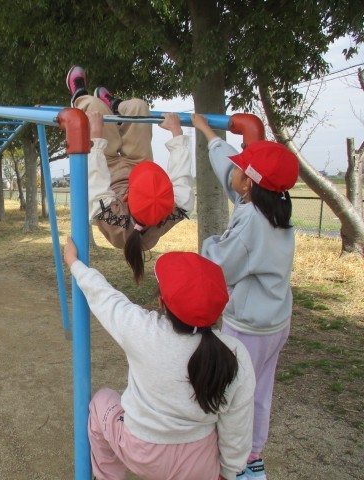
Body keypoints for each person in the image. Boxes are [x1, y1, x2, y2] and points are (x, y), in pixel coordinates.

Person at [63, 237, 255, 480]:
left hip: (140, 452)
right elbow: (237, 427)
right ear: (219, 311)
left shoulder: (142, 330)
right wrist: (228, 472)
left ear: (162, 302)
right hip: (198, 465)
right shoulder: (235, 354)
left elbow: (104, 296)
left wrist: (74, 262)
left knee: (101, 401)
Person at [191, 113, 299, 480]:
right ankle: (252, 454)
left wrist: (209, 243)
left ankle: (236, 463)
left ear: (249, 184)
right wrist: (207, 132)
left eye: (240, 169)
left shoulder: (251, 220)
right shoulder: (273, 204)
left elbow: (219, 265)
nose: (233, 172)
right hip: (275, 322)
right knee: (260, 391)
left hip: (249, 328)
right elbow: (230, 169)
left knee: (235, 394)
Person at [66, 65, 194, 283]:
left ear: (126, 197)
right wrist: (177, 133)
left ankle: (79, 96)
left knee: (94, 108)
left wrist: (95, 137)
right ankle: (116, 107)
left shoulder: (110, 217)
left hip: (109, 174)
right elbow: (181, 179)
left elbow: (96, 180)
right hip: (137, 167)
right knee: (139, 107)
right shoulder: (175, 208)